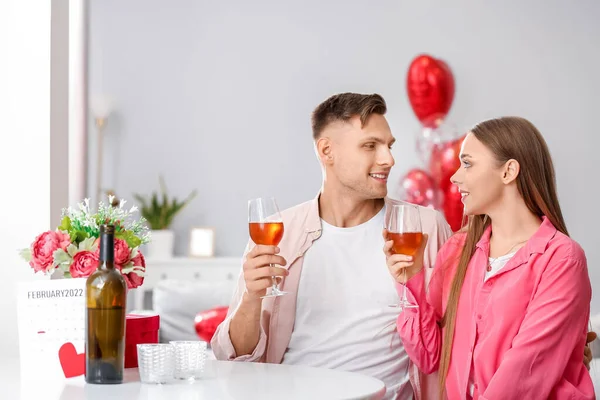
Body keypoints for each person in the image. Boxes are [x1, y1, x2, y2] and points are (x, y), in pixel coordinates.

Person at [211, 92, 453, 399]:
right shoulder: (280, 233)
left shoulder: (425, 228)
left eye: (389, 146)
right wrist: (251, 298)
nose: (388, 159)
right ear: (327, 150)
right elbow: (233, 358)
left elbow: (453, 338)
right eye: (370, 146)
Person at [384, 116, 595, 399]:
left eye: (468, 163)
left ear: (508, 171)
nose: (454, 176)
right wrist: (412, 283)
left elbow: (523, 376)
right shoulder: (458, 250)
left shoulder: (561, 259)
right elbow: (429, 357)